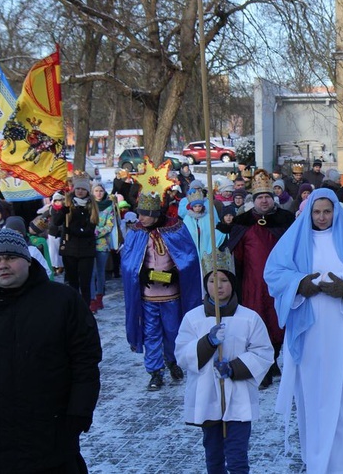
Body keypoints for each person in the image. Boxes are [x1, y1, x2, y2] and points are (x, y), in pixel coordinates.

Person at [0, 228, 102, 472]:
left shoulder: (63, 302)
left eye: (11, 258)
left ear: (27, 261)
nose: (3, 265)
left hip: (47, 436)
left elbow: (85, 361)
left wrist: (80, 411)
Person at [264, 189, 343, 474]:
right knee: (311, 394)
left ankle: (340, 464)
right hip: (309, 328)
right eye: (317, 212)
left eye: (327, 211)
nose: (322, 217)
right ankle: (314, 459)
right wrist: (299, 285)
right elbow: (274, 273)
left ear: (336, 212)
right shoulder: (295, 238)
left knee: (341, 395)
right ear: (308, 213)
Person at [175, 250, 273, 474]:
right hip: (208, 396)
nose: (218, 286)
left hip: (239, 398)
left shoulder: (249, 318)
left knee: (237, 457)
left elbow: (264, 353)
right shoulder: (193, 318)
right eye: (212, 280)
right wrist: (208, 342)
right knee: (214, 455)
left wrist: (233, 367)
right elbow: (182, 354)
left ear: (233, 283)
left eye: (224, 280)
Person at [122, 190, 202, 391]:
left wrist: (177, 272)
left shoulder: (175, 229)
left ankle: (173, 361)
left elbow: (189, 256)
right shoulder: (136, 231)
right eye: (140, 213)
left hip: (172, 294)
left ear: (156, 213)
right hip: (148, 296)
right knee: (151, 333)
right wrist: (139, 273)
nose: (140, 218)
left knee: (173, 331)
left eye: (145, 213)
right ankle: (155, 371)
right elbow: (128, 261)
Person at [224, 169, 295, 388]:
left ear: (273, 199)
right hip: (252, 284)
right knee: (257, 326)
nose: (264, 201)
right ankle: (261, 368)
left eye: (267, 197)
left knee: (277, 324)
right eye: (259, 197)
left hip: (278, 284)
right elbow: (235, 256)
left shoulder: (285, 221)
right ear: (253, 201)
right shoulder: (243, 223)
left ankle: (272, 360)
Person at [51, 172, 97, 306]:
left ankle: (86, 307)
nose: (80, 191)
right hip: (70, 249)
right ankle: (74, 308)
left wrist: (75, 230)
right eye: (78, 189)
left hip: (86, 250)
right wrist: (62, 211)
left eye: (83, 189)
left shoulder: (91, 207)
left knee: (85, 282)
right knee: (72, 282)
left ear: (87, 191)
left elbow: (90, 229)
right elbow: (56, 222)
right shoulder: (68, 204)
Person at [90, 182, 116, 312]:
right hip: (88, 244)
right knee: (91, 272)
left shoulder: (108, 206)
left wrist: (95, 232)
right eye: (96, 191)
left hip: (102, 244)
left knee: (100, 272)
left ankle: (99, 296)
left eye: (101, 190)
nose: (98, 193)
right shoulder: (88, 205)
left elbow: (109, 225)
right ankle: (92, 298)